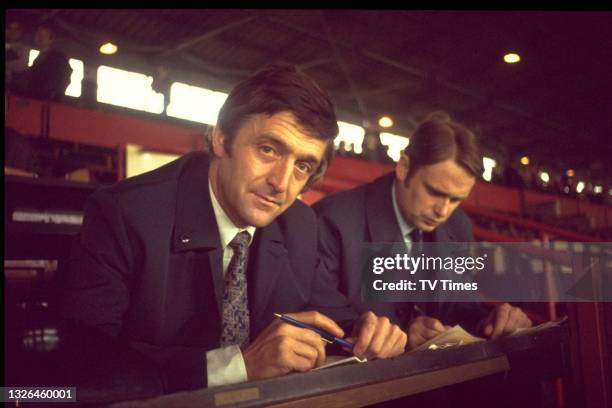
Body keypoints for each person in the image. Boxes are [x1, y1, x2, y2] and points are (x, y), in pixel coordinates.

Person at [61, 64, 406, 394]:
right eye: (268, 149)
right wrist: (238, 366)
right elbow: (87, 365)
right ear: (221, 139)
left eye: (302, 166)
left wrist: (363, 331)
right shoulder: (123, 213)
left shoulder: (300, 223)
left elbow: (328, 313)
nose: (281, 184)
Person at [314, 112, 532, 351]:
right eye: (435, 192)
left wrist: (487, 322)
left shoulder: (458, 225)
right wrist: (402, 336)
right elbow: (320, 314)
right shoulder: (333, 219)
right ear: (404, 167)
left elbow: (458, 303)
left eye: (456, 199)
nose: (443, 211)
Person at [14, 24, 72, 101]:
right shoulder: (38, 59)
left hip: (45, 101)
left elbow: (64, 77)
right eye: (38, 34)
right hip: (35, 99)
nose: (40, 38)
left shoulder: (58, 57)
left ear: (51, 39)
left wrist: (53, 96)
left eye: (44, 35)